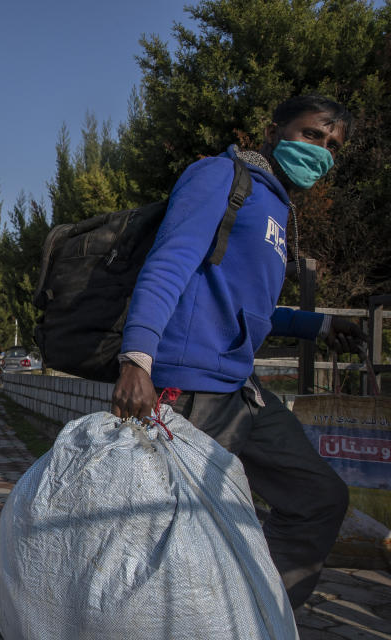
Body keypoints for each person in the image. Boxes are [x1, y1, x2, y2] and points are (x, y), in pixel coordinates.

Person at [112, 95, 364, 608]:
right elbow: (170, 262)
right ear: (274, 132)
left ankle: (253, 613)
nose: (321, 151)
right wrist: (136, 358)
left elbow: (250, 309)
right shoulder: (221, 177)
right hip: (189, 391)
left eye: (332, 146)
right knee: (165, 534)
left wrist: (318, 324)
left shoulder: (278, 208)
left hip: (238, 389)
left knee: (319, 497)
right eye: (312, 135)